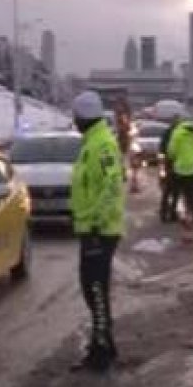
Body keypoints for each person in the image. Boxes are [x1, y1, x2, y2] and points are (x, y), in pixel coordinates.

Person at [69, 90, 125, 372]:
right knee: (90, 288)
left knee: (96, 290)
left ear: (83, 117)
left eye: (76, 116)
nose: (74, 121)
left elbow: (112, 187)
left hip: (100, 231)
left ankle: (101, 352)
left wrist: (95, 224)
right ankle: (105, 344)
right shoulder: (92, 142)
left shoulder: (101, 145)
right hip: (92, 229)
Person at [167, 116, 193, 233]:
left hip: (180, 169)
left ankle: (173, 215)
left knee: (176, 193)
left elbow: (171, 151)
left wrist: (174, 158)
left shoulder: (177, 133)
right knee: (191, 195)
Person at [158, 105, 182, 222]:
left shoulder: (168, 132)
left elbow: (162, 148)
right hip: (175, 163)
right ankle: (170, 212)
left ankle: (165, 212)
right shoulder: (179, 133)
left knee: (169, 189)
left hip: (170, 163)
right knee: (174, 189)